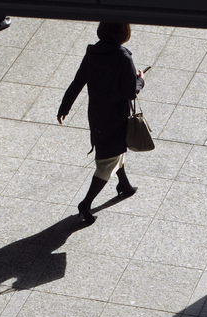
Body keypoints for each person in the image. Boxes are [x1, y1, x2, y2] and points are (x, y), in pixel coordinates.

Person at [57, 21, 148, 222]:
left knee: (113, 152)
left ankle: (123, 185)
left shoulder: (93, 53)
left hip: (98, 114)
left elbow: (78, 81)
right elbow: (130, 92)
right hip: (116, 116)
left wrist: (65, 107)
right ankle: (86, 204)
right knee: (108, 161)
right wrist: (140, 79)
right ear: (124, 33)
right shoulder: (123, 57)